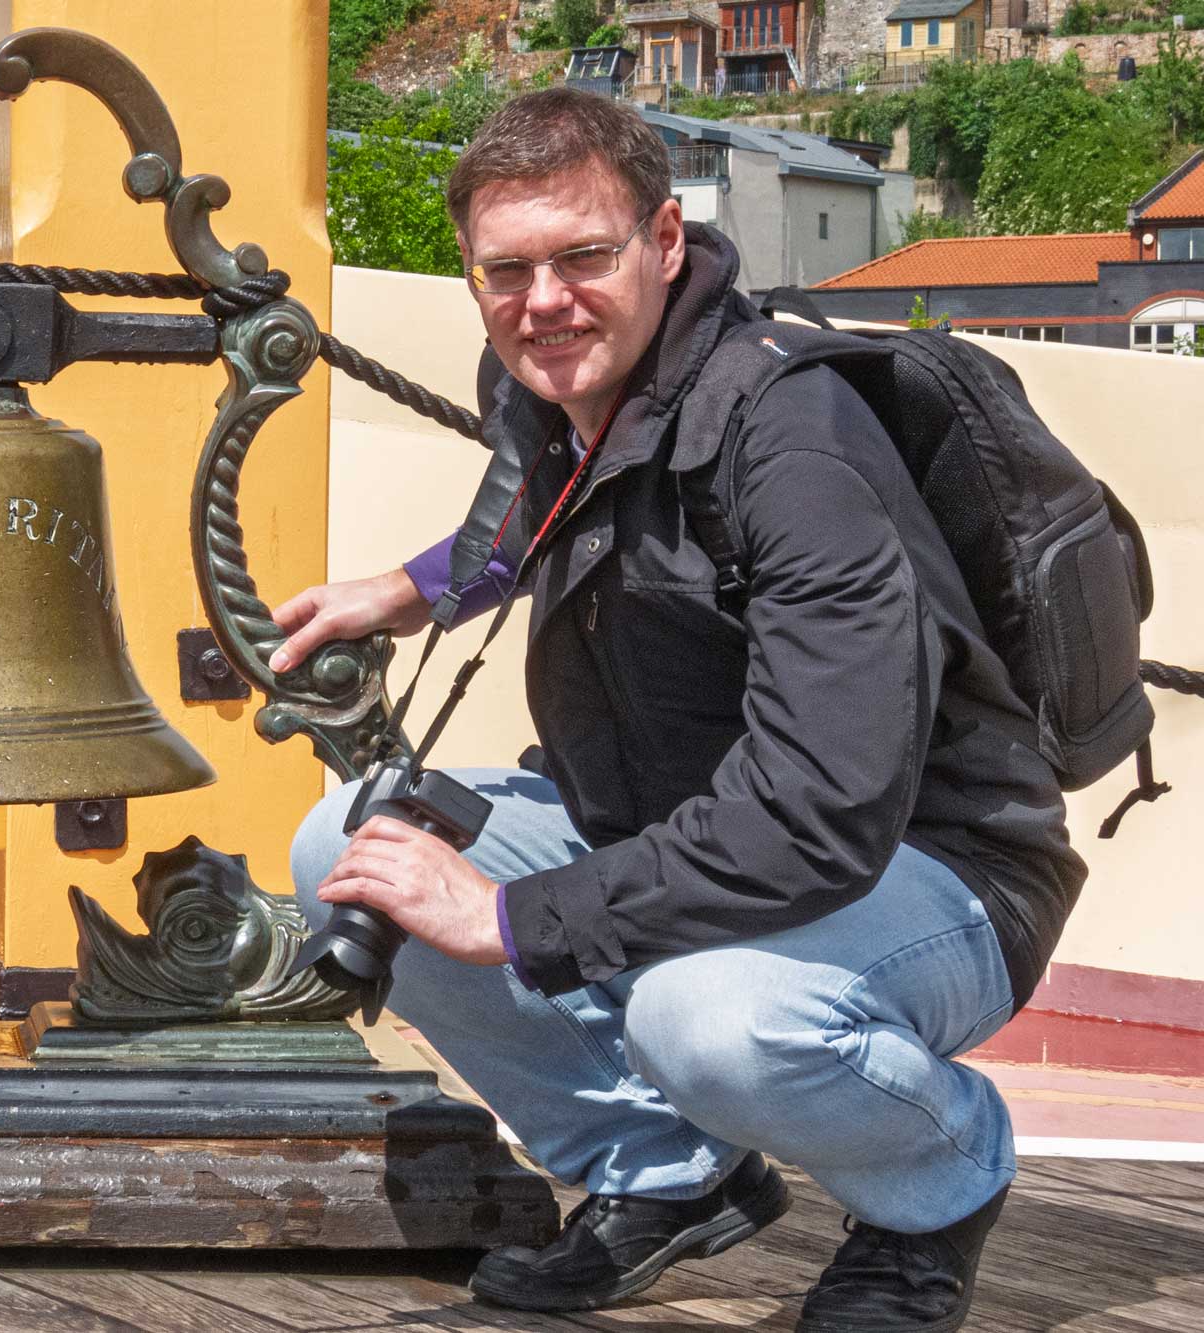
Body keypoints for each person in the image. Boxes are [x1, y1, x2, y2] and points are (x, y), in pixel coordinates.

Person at [276, 88, 1083, 1333]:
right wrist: (407, 589)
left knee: (708, 1017)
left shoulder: (790, 442)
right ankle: (665, 1174)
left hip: (932, 865)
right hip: (673, 817)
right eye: (507, 271)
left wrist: (508, 915)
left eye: (580, 257)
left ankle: (937, 1187)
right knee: (351, 848)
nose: (541, 300)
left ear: (661, 241)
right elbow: (527, 514)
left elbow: (817, 814)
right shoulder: (564, 385)